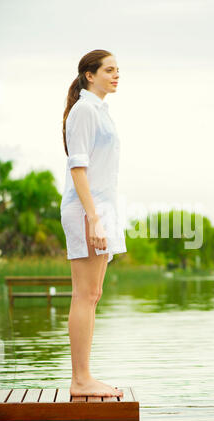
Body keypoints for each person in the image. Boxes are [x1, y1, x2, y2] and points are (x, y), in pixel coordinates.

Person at [60, 50, 127, 397]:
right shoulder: (85, 110)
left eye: (118, 70)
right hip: (87, 211)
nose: (117, 75)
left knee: (93, 294)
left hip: (101, 211)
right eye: (109, 70)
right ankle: (81, 379)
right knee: (84, 295)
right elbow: (78, 167)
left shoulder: (101, 111)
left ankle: (84, 376)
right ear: (90, 75)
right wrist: (94, 218)